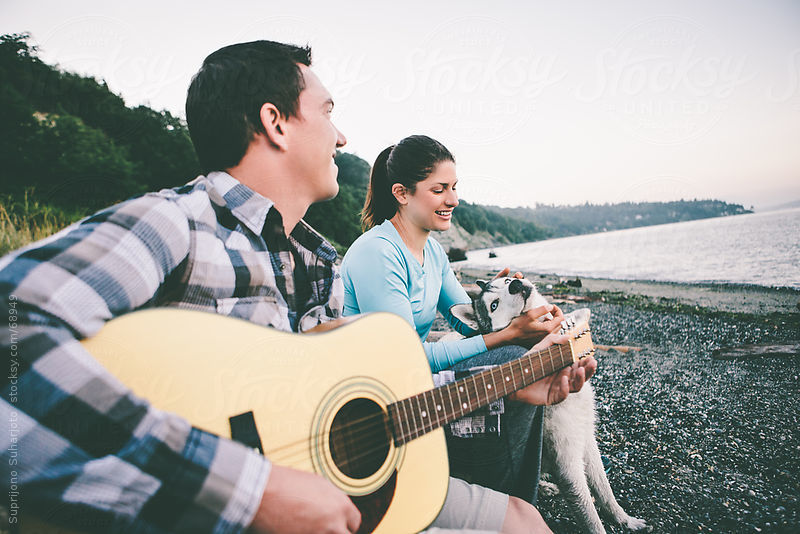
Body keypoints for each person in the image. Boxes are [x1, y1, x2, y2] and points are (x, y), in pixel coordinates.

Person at [0, 41, 594, 534]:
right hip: (216, 510)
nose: (341, 136)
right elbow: (13, 324)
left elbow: (361, 401)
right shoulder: (176, 222)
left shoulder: (318, 263)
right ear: (275, 122)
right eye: (328, 110)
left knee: (524, 521)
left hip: (338, 488)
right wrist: (247, 490)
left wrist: (509, 386)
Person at [340, 135, 596, 526]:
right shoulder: (379, 252)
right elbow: (407, 357)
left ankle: (512, 488)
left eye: (454, 187)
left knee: (539, 352)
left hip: (413, 378)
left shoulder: (432, 251)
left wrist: (523, 316)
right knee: (513, 357)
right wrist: (507, 337)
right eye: (439, 189)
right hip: (376, 400)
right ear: (402, 194)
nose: (453, 199)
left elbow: (467, 320)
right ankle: (506, 493)